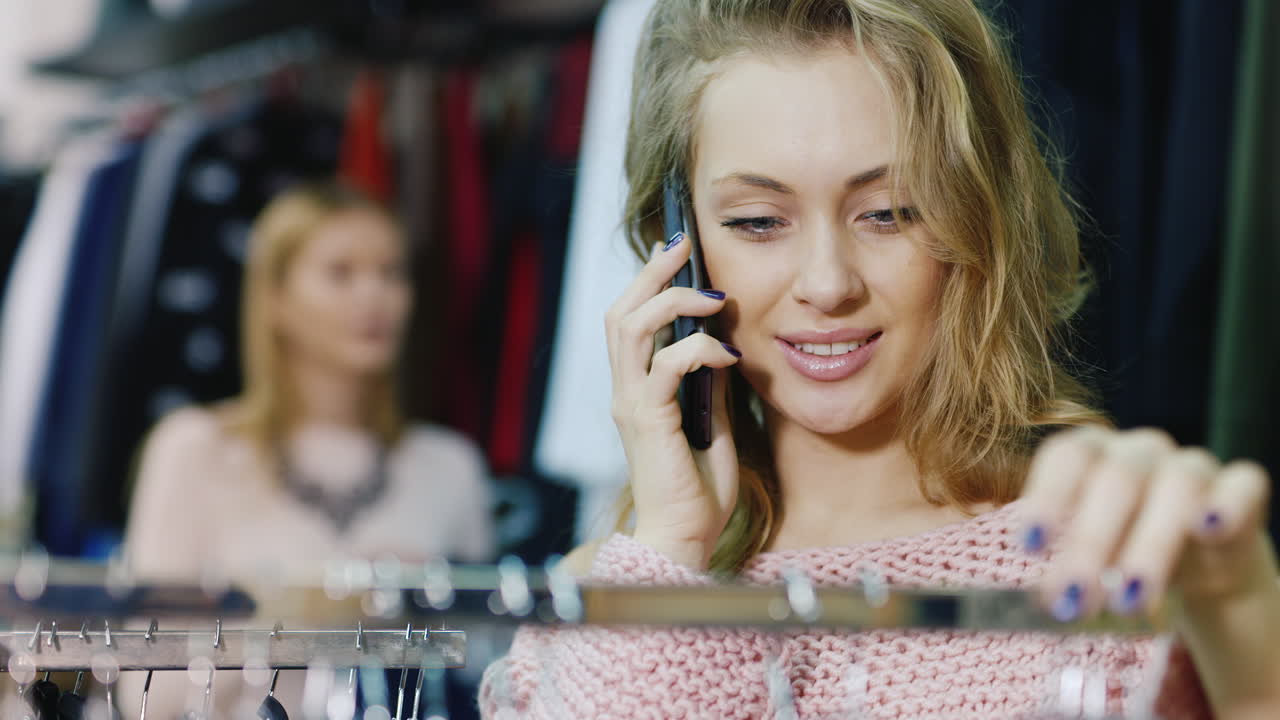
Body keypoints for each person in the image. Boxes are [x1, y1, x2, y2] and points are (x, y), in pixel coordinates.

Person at [478, 0, 1280, 718]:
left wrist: (1244, 606)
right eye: (759, 221)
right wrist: (672, 552)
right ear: (677, 249)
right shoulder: (608, 594)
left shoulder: (1115, 569)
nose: (827, 285)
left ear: (978, 222)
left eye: (889, 212)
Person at [123, 180, 495, 715]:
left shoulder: (450, 466)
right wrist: (308, 615)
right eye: (340, 273)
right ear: (276, 298)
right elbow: (145, 691)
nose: (375, 296)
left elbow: (486, 679)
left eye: (391, 273)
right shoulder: (195, 450)